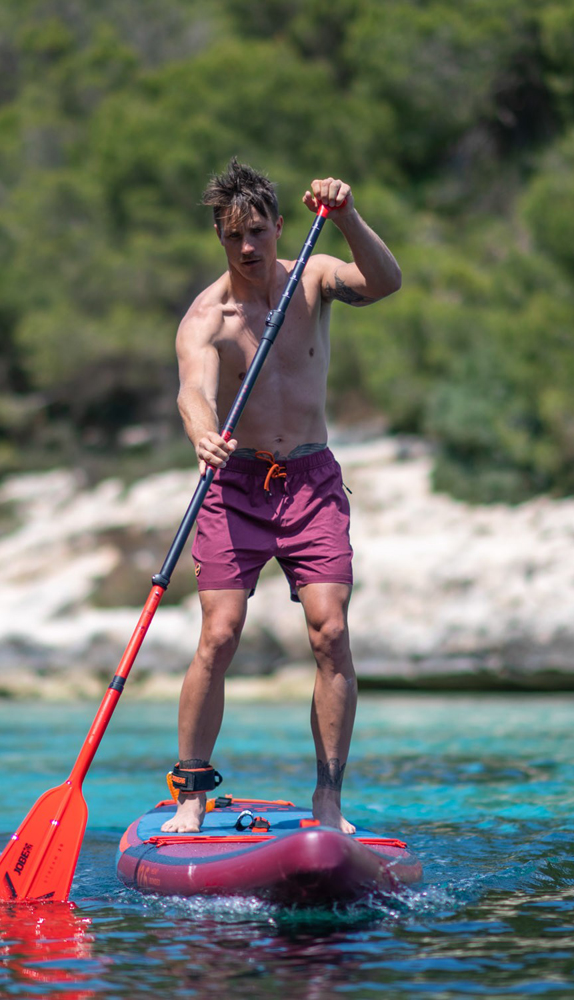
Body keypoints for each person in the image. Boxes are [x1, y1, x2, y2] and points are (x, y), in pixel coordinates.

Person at [161, 158, 401, 834]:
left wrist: (347, 216)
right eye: (233, 235)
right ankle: (191, 793)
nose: (248, 246)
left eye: (258, 231)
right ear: (218, 236)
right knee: (220, 633)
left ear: (279, 226)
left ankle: (328, 800)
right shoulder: (208, 317)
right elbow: (193, 389)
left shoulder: (314, 279)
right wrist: (202, 433)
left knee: (331, 630)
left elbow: (386, 282)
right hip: (235, 484)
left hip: (311, 481)